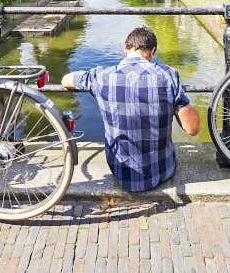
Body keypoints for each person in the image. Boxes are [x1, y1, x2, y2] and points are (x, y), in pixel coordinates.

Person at [61, 26, 199, 192]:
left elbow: (66, 80)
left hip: (122, 175)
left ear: (126, 48)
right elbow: (192, 129)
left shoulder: (102, 76)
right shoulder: (168, 75)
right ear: (152, 51)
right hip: (163, 171)